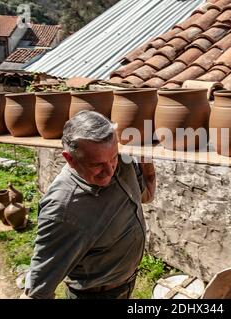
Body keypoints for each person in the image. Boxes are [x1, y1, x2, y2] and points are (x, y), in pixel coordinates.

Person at [21, 110, 156, 299]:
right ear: (70, 159)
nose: (109, 171)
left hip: (126, 285)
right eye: (97, 164)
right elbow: (38, 289)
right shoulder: (63, 209)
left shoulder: (122, 164)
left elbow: (145, 195)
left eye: (113, 158)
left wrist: (145, 153)